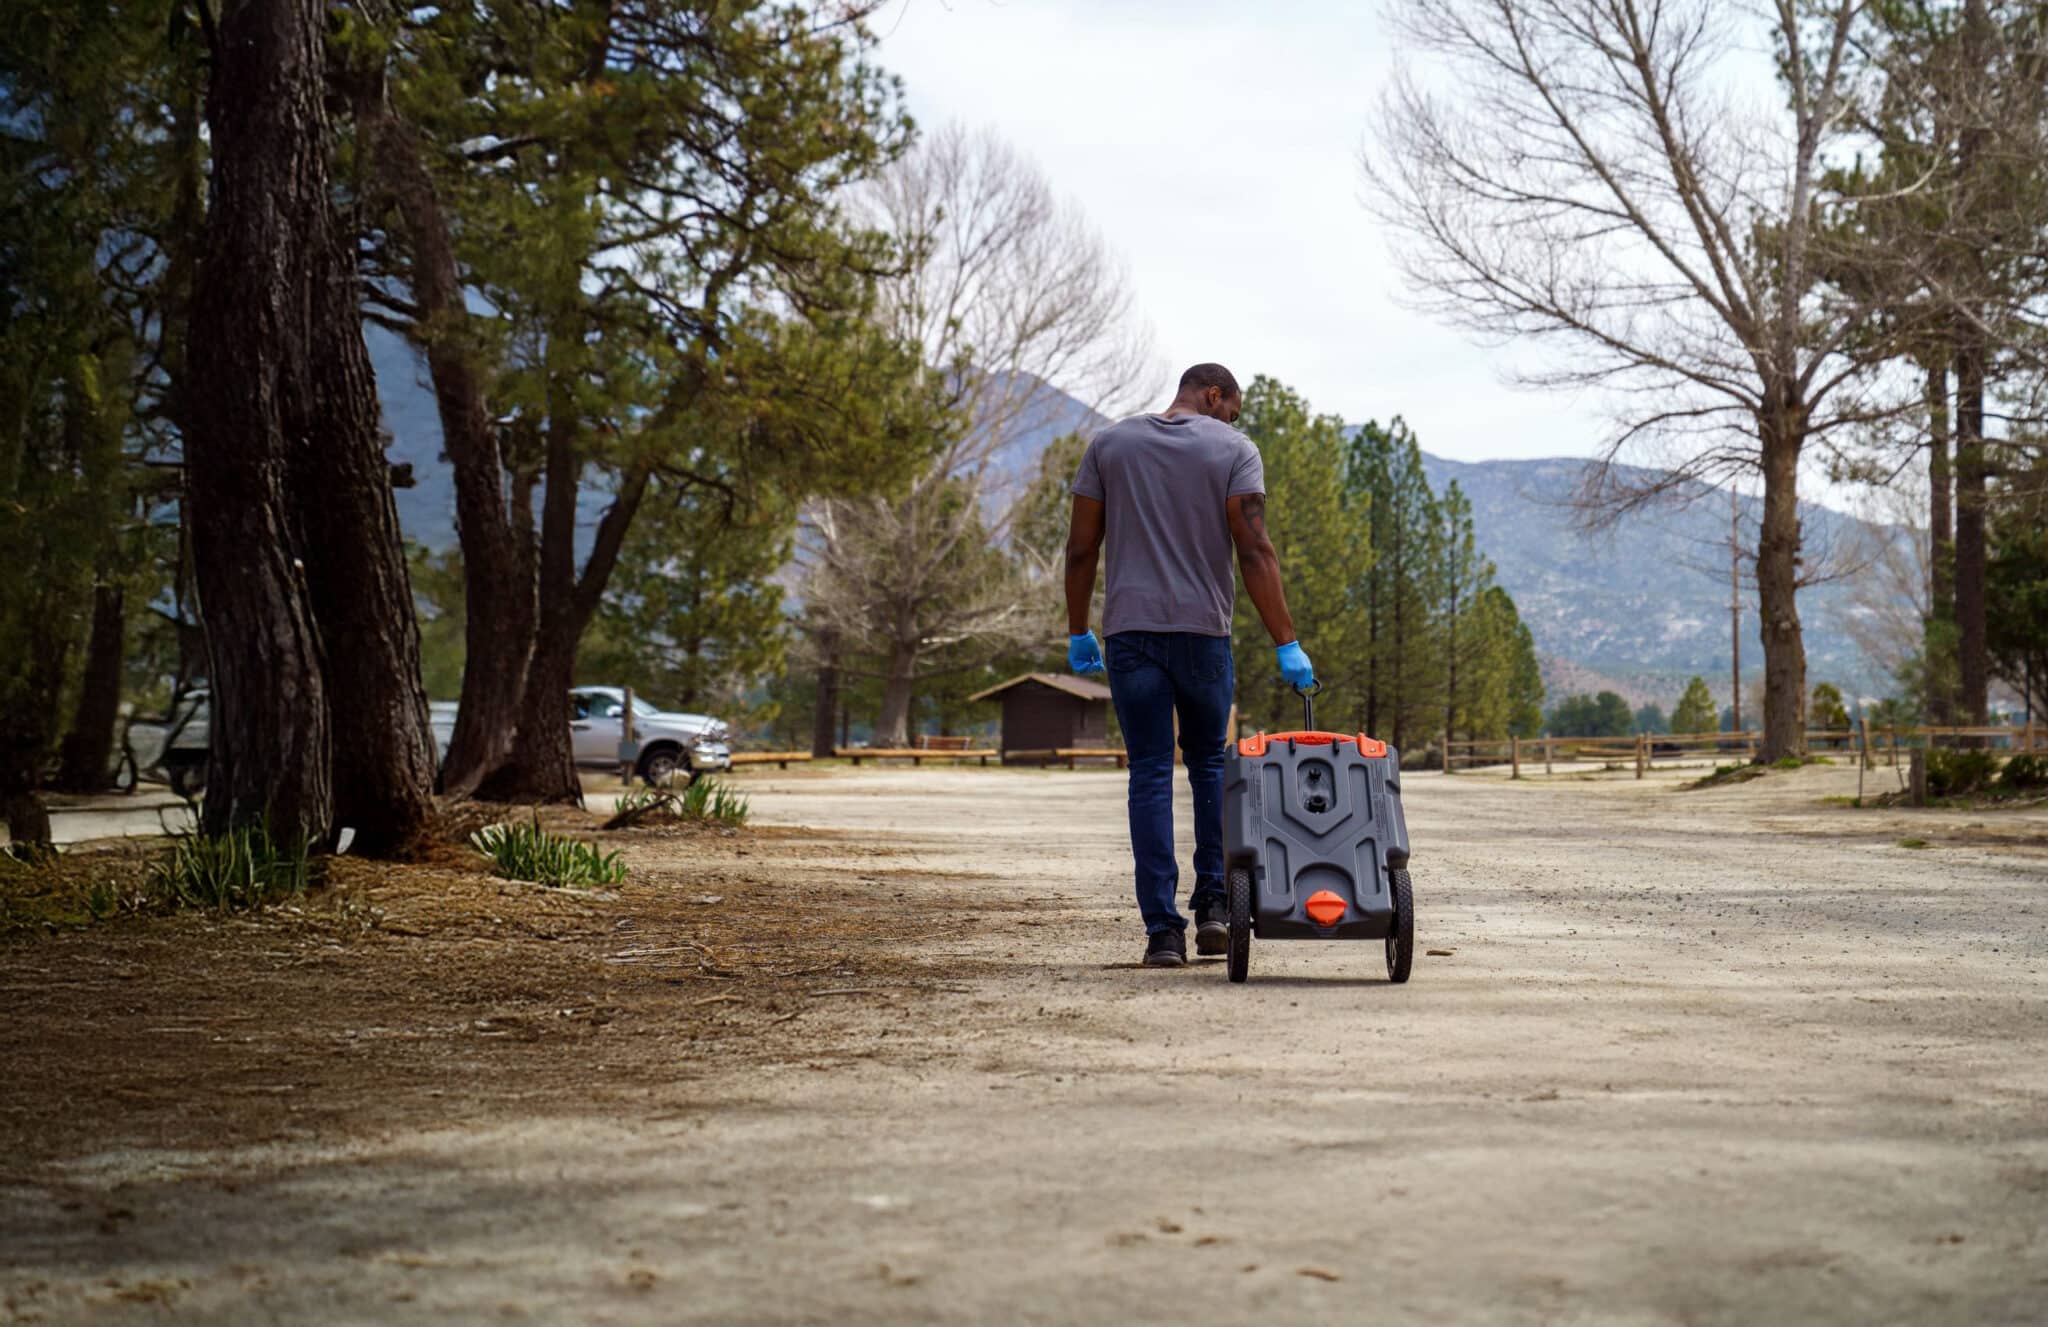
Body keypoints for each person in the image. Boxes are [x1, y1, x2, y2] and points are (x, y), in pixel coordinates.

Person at [1064, 363, 1314, 968]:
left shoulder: (1108, 444)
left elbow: (1080, 547)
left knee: (1149, 772)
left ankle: (1162, 934)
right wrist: (1286, 641)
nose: (1234, 420)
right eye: (1233, 408)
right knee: (1207, 765)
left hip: (1131, 633)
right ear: (1213, 393)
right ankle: (1215, 909)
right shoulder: (1235, 450)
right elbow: (1255, 548)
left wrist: (1077, 629)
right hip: (1203, 634)